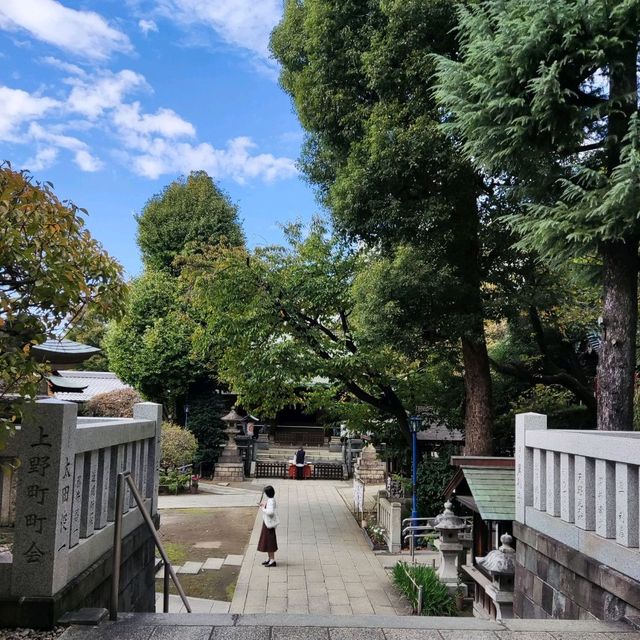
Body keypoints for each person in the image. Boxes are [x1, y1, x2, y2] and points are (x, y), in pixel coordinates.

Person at [258, 485, 279, 567]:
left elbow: (270, 512)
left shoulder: (270, 501)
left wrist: (263, 508)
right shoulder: (271, 499)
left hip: (269, 524)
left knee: (269, 542)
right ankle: (270, 558)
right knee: (267, 541)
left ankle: (272, 560)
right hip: (268, 523)